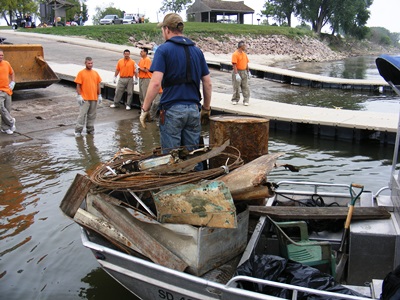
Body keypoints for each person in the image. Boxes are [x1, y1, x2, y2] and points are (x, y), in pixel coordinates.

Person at [140, 13, 212, 164]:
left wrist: (145, 109)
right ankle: (197, 183)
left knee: (171, 158)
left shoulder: (163, 50)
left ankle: (174, 183)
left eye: (162, 29)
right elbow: (207, 83)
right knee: (194, 156)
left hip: (172, 110)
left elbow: (155, 83)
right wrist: (206, 108)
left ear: (167, 29)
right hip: (193, 109)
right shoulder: (197, 51)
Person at [74, 57, 102, 137]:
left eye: (91, 63)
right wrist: (79, 95)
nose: (90, 65)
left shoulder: (95, 73)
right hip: (85, 98)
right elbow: (78, 85)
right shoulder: (81, 73)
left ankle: (90, 130)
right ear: (85, 63)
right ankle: (78, 130)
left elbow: (98, 85)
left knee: (92, 115)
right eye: (89, 63)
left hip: (94, 98)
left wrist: (99, 95)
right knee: (82, 115)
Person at [0, 49, 16, 135]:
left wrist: (13, 82)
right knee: (1, 108)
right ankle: (11, 121)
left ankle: (5, 128)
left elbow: (12, 72)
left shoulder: (6, 64)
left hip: (7, 90)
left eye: (2, 55)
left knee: (7, 109)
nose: (1, 57)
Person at [231, 40, 250, 106]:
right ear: (241, 46)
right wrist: (236, 74)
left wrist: (248, 71)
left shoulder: (244, 54)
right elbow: (234, 65)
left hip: (244, 71)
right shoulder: (235, 54)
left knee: (245, 86)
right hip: (237, 71)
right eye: (244, 45)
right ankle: (235, 99)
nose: (245, 47)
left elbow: (246, 63)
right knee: (236, 86)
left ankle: (246, 100)